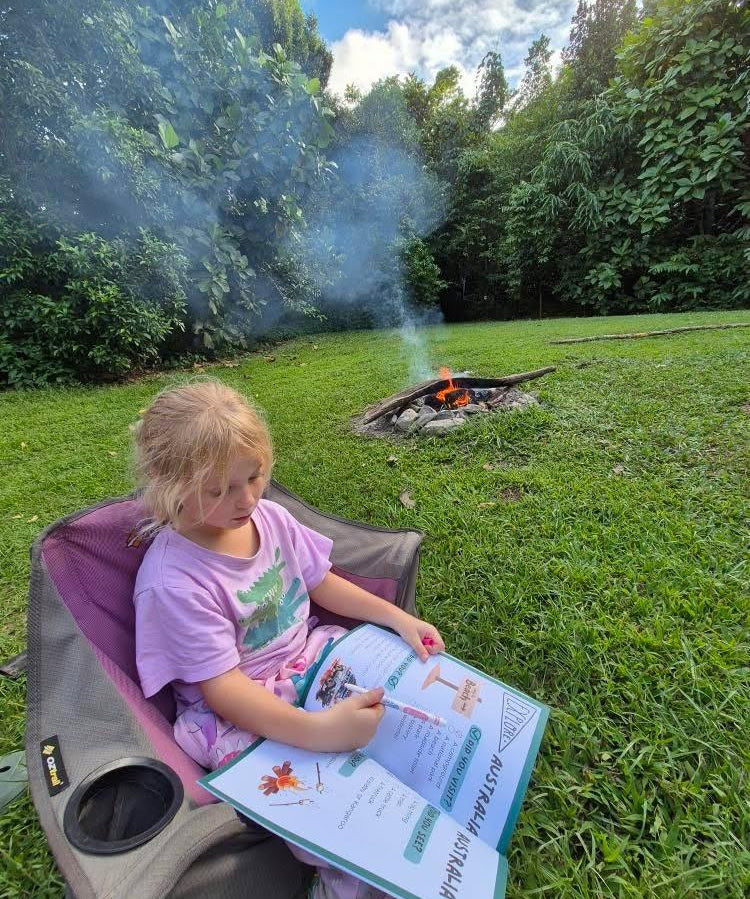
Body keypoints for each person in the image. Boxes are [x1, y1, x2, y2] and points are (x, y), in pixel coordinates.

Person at [132, 379, 445, 899]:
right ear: (171, 485)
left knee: (406, 716)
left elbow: (323, 584)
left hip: (311, 657)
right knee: (327, 808)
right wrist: (317, 732)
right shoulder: (173, 580)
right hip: (238, 712)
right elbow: (224, 689)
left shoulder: (270, 518)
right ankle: (342, 883)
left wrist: (397, 619)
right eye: (219, 489)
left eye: (254, 476)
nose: (247, 498)